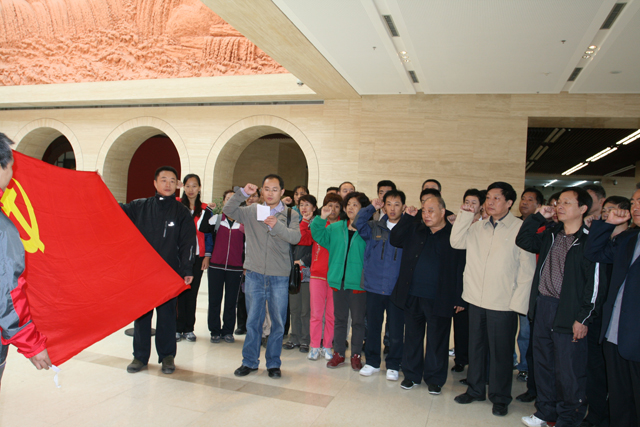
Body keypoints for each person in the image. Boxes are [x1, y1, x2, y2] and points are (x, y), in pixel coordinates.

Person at [451, 181, 536, 417]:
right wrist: (466, 216)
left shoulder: (520, 228)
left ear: (509, 203)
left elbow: (527, 270)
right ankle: (475, 389)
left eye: (496, 198)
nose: (490, 202)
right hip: (476, 299)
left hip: (503, 302)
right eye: (488, 198)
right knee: (476, 348)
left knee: (501, 353)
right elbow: (456, 242)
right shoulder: (477, 227)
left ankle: (500, 397)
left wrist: (518, 304)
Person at [517, 187, 599, 427]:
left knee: (568, 370)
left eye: (567, 203)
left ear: (583, 209)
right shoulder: (551, 233)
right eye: (558, 202)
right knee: (543, 364)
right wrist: (538, 217)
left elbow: (594, 285)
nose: (560, 206)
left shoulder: (588, 241)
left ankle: (568, 418)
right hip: (544, 305)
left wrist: (583, 318)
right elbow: (523, 240)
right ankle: (545, 412)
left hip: (569, 312)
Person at [224, 175, 301, 379]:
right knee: (253, 321)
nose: (270, 193)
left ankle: (273, 364)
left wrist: (277, 226)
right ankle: (249, 362)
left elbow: (295, 237)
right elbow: (228, 210)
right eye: (266, 189)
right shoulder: (252, 211)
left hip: (279, 276)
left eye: (275, 189)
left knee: (277, 322)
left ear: (282, 192)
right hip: (254, 274)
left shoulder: (291, 214)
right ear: (261, 190)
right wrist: (242, 193)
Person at [121, 166, 196, 375]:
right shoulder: (140, 206)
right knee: (142, 316)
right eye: (163, 180)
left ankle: (167, 356)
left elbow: (188, 243)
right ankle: (140, 356)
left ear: (177, 185)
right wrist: (97, 187)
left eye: (172, 181)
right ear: (155, 183)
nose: (167, 184)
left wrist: (187, 268)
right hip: (142, 272)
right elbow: (113, 210)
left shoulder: (181, 212)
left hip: (169, 273)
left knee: (167, 317)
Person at [390, 195, 465, 393]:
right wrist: (407, 218)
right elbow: (394, 239)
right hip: (412, 294)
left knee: (437, 340)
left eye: (431, 211)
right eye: (424, 211)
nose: (426, 215)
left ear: (443, 212)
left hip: (440, 297)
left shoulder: (453, 235)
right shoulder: (416, 229)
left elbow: (461, 267)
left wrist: (459, 297)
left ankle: (435, 379)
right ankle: (412, 375)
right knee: (412, 337)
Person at [584, 188, 640, 427]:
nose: (635, 206)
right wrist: (608, 224)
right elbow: (594, 252)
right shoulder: (629, 239)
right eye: (634, 202)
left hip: (636, 338)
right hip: (615, 334)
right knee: (620, 401)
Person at [0, 133, 51, 388]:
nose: (12, 173)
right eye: (11, 166)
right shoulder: (3, 229)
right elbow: (7, 294)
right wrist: (32, 344)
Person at [311, 192, 369, 371]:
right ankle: (339, 353)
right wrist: (321, 218)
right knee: (340, 320)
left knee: (358, 321)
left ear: (363, 209)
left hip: (358, 282)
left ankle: (356, 355)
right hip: (338, 281)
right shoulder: (336, 228)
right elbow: (318, 235)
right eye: (349, 204)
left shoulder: (367, 230)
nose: (351, 208)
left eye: (355, 205)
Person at [355, 190, 405, 381]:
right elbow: (357, 222)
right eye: (389, 204)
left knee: (396, 329)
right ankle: (372, 362)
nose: (392, 208)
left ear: (403, 207)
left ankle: (393, 364)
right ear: (383, 206)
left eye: (397, 204)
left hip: (396, 288)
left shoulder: (407, 229)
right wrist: (371, 208)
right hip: (374, 286)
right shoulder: (374, 227)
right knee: (373, 327)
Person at [201, 190, 245, 344]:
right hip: (216, 266)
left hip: (236, 268)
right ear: (224, 202)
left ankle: (227, 331)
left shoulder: (243, 223)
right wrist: (208, 210)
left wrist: (245, 264)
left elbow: (248, 245)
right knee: (214, 300)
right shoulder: (217, 219)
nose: (230, 202)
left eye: (234, 199)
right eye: (228, 199)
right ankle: (214, 331)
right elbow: (203, 228)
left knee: (231, 302)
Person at [450, 189, 485, 373]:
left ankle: (476, 365)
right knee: (461, 326)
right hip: (461, 281)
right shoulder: (460, 224)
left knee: (477, 330)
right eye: (467, 202)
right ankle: (461, 359)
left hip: (480, 285)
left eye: (474, 202)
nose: (470, 206)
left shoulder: (485, 226)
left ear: (481, 206)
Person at [307, 193, 343, 361]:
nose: (333, 209)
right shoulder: (319, 223)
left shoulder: (344, 227)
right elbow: (312, 234)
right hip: (317, 275)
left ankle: (327, 346)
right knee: (316, 314)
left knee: (331, 315)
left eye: (337, 206)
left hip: (335, 276)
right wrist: (321, 218)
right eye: (329, 206)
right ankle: (314, 346)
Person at [175, 174, 209, 343]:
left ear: (199, 188)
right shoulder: (176, 204)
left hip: (197, 256)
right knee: (179, 293)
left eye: (194, 186)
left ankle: (189, 328)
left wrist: (207, 256)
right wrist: (174, 186)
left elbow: (209, 234)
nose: (191, 190)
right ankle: (177, 328)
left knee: (192, 293)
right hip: (179, 256)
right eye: (187, 186)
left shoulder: (204, 208)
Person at [515, 187, 543, 383]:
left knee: (525, 331)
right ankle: (511, 361)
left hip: (530, 286)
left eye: (530, 200)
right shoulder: (514, 223)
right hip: (510, 283)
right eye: (523, 199)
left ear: (539, 205)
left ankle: (524, 367)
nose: (524, 202)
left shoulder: (544, 227)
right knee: (506, 329)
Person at [283, 194, 317, 353]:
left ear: (314, 208)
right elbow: (292, 242)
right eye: (301, 205)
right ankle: (294, 337)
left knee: (306, 310)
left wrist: (303, 261)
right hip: (294, 272)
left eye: (307, 205)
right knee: (294, 308)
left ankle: (305, 339)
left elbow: (314, 245)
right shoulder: (295, 224)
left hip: (309, 272)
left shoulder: (317, 224)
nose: (304, 208)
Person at [235, 188, 261, 335]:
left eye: (255, 196)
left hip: (257, 261)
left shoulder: (263, 214)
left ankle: (256, 326)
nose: (251, 199)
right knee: (242, 294)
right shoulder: (241, 213)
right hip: (242, 260)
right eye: (249, 196)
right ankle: (241, 324)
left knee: (256, 296)